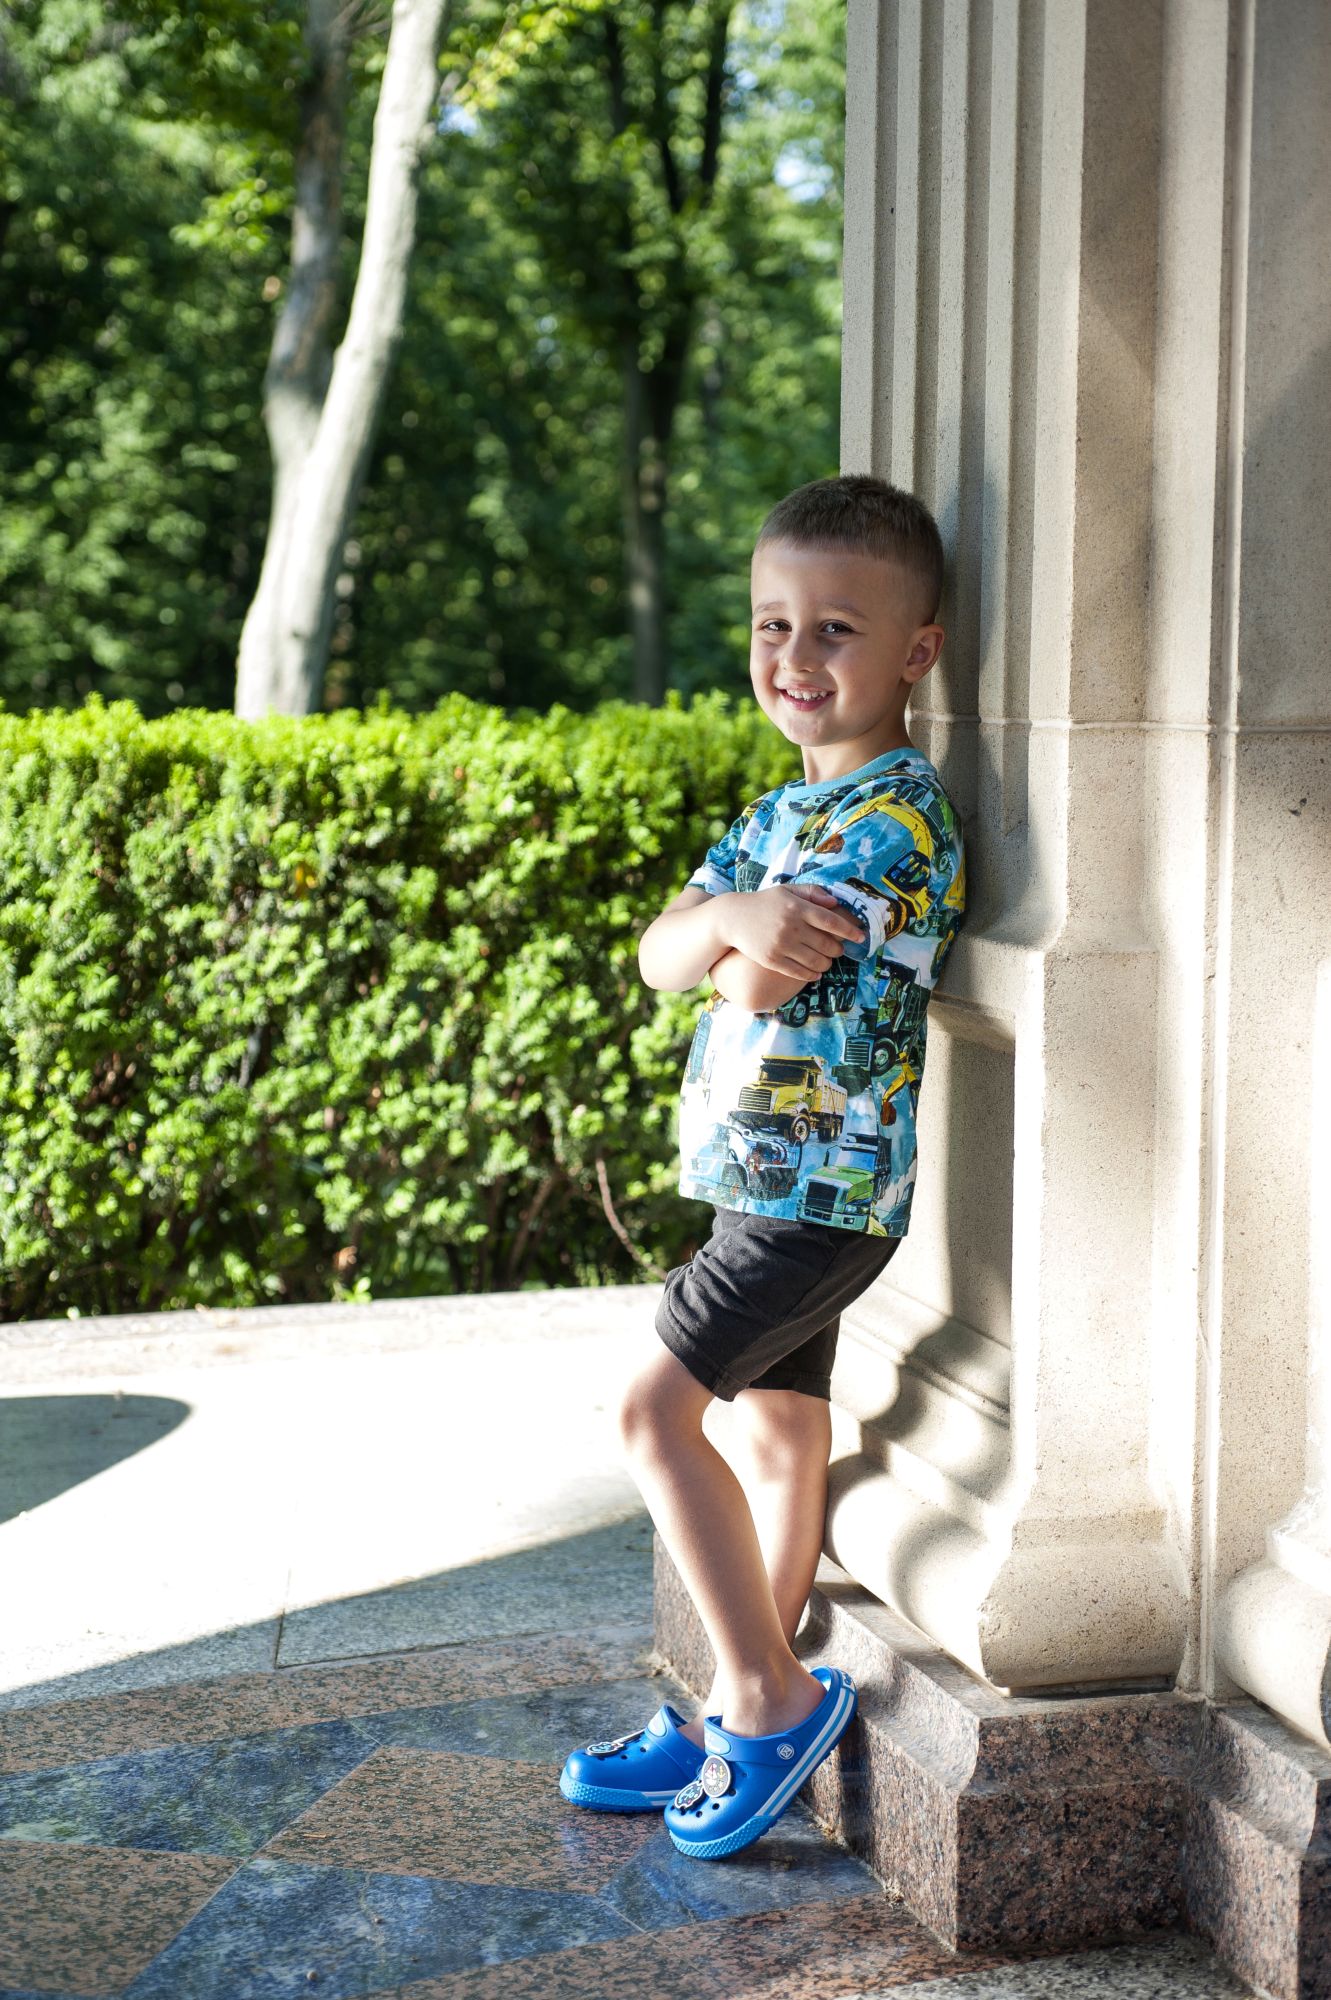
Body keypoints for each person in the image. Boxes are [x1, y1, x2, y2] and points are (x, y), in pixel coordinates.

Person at [559, 474, 966, 1860]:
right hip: (767, 1181)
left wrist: (724, 930)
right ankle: (739, 1702)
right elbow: (660, 953)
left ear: (915, 652)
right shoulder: (772, 818)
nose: (795, 656)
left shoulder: (900, 822)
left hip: (821, 1197)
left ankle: (768, 1697)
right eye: (771, 624)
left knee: (650, 1413)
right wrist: (733, 910)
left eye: (836, 629)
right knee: (781, 1435)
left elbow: (741, 984)